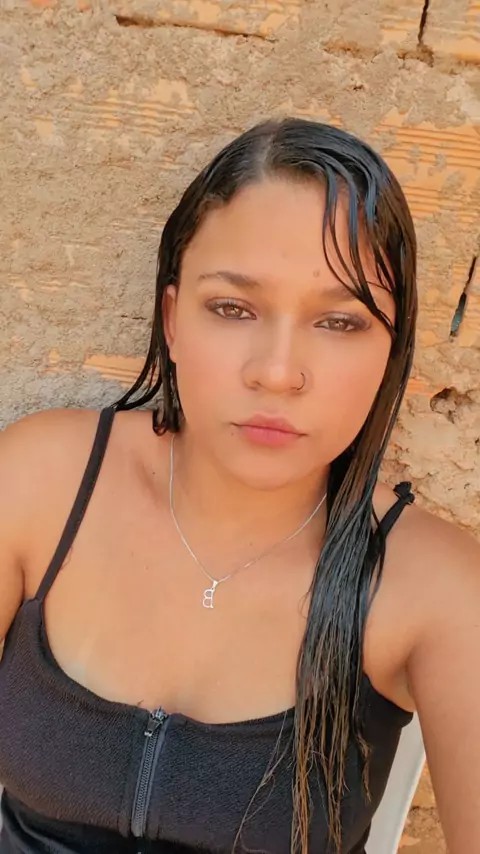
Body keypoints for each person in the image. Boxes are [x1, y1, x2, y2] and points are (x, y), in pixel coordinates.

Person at [0, 118, 478, 854]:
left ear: (390, 350)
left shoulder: (436, 591)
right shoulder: (40, 482)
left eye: (339, 322)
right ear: (172, 319)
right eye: (232, 308)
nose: (277, 372)